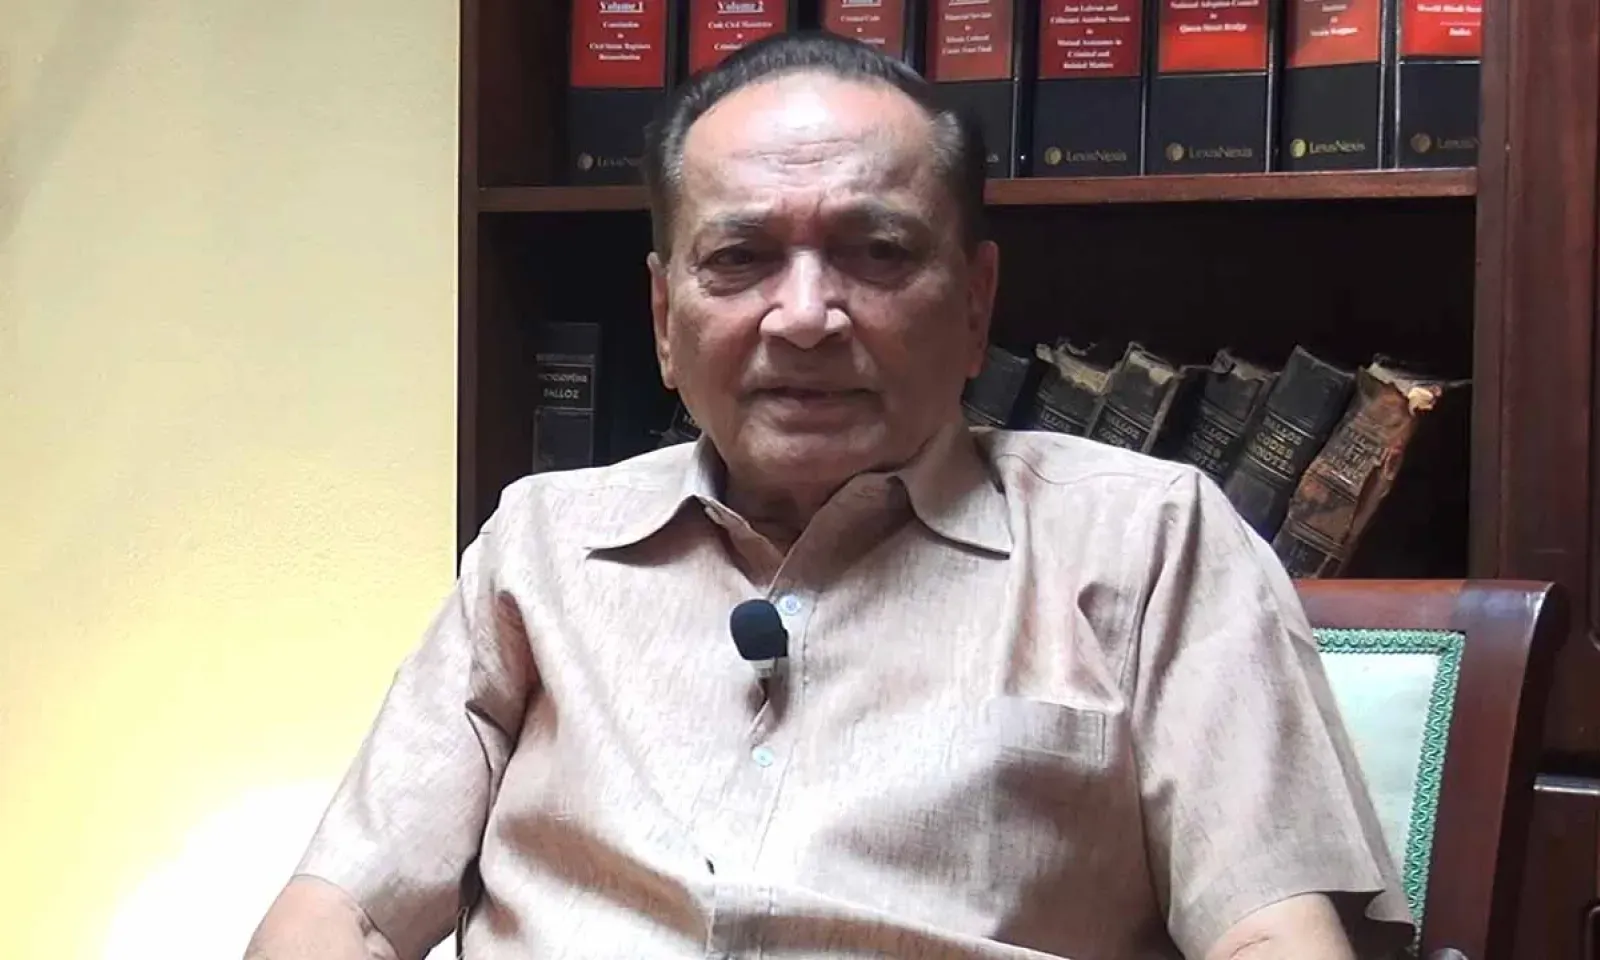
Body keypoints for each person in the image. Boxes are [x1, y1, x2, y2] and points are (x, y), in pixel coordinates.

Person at [246, 31, 1412, 960]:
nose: (804, 317)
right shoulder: (540, 544)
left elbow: (1270, 934)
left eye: (877, 252)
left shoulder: (1151, 540)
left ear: (974, 304)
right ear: (663, 319)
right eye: (739, 258)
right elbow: (342, 914)